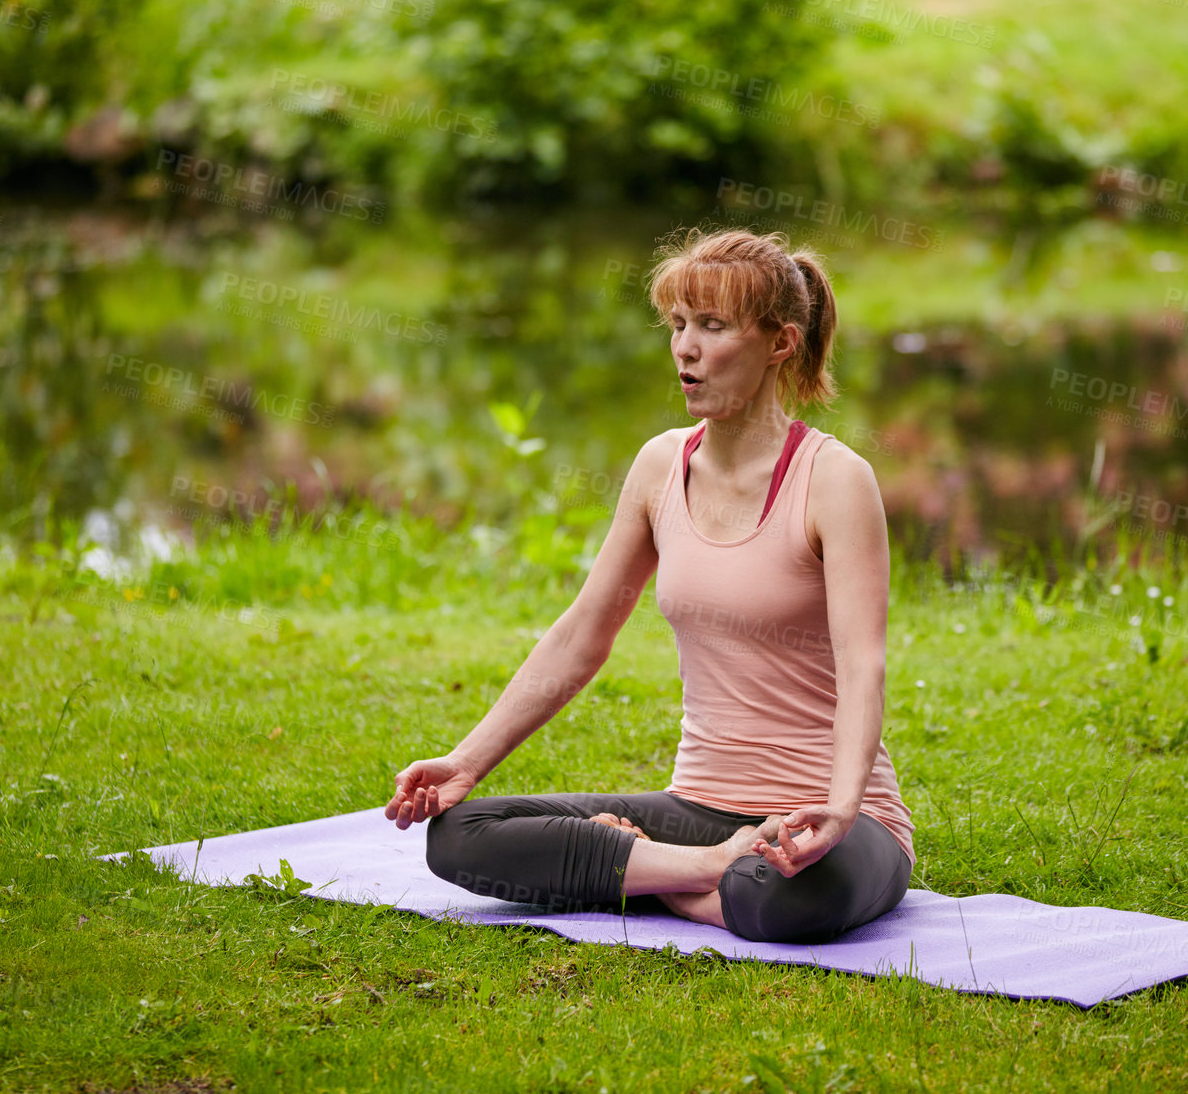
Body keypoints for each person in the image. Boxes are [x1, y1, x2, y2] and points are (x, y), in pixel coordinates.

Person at [384, 227, 915, 944]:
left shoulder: (834, 479)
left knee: (784, 898)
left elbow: (862, 663)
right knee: (460, 834)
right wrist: (463, 763)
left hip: (831, 820)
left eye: (713, 326)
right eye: (678, 325)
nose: (685, 349)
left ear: (780, 344)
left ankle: (650, 874)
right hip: (698, 806)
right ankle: (698, 866)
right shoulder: (661, 465)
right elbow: (583, 634)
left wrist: (842, 808)